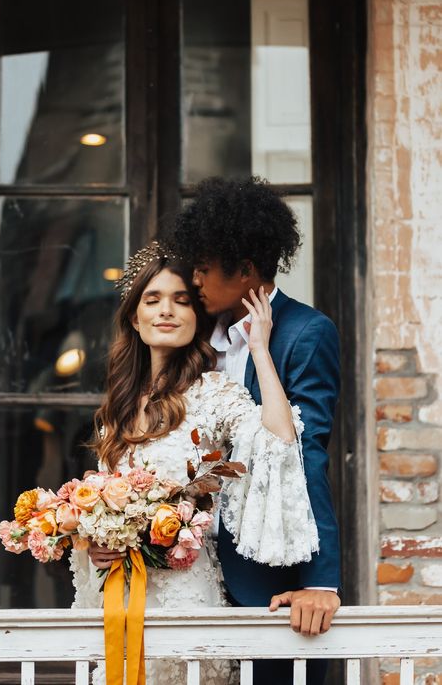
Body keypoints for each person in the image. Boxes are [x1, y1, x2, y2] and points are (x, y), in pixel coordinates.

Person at [70, 244, 319, 685]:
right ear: (135, 317)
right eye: (153, 300)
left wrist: (259, 348)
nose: (167, 311)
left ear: (195, 317)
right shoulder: (118, 407)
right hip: (119, 595)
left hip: (185, 591)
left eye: (181, 300)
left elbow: (279, 441)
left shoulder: (213, 392)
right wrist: (97, 543)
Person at [172, 176, 341, 684]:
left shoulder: (307, 333)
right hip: (187, 570)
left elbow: (306, 455)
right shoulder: (193, 336)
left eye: (203, 270)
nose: (194, 283)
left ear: (246, 270)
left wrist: (321, 582)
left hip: (267, 580)